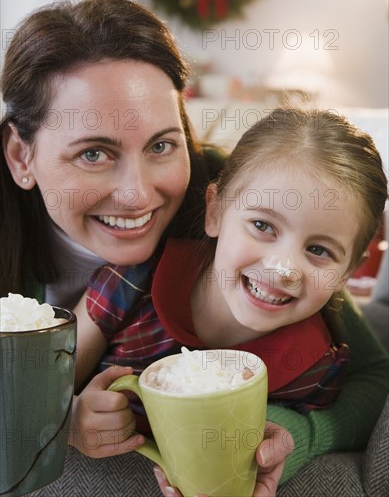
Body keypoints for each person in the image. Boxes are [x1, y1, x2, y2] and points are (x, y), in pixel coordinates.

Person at [0, 0, 387, 494]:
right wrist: (55, 422)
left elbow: (370, 374)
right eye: (94, 153)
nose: (139, 194)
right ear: (20, 156)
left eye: (161, 145)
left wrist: (289, 435)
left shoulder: (245, 203)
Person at [74, 108, 388, 494]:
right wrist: (70, 418)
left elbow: (362, 399)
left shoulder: (313, 368)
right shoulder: (133, 282)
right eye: (262, 225)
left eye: (319, 250)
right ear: (215, 211)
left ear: (347, 273)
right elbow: (46, 384)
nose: (283, 268)